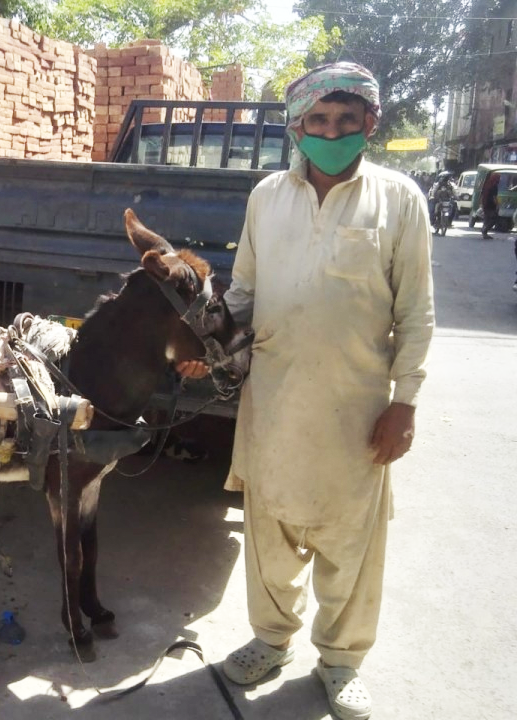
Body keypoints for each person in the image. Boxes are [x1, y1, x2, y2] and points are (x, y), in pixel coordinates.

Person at [177, 62, 434, 720]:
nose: (332, 132)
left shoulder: (399, 199)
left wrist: (403, 403)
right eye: (318, 121)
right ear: (296, 127)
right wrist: (213, 350)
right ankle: (270, 639)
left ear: (369, 124)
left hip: (357, 409)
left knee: (350, 540)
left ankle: (342, 660)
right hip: (274, 401)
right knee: (271, 530)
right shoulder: (267, 196)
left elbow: (417, 313)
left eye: (347, 120)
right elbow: (243, 293)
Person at [481, 173, 500, 239]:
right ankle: (485, 230)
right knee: (494, 219)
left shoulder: (487, 184)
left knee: (487, 218)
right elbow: (494, 197)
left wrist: (482, 203)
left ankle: (484, 233)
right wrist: (497, 205)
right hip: (491, 204)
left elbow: (482, 195)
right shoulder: (494, 186)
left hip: (485, 203)